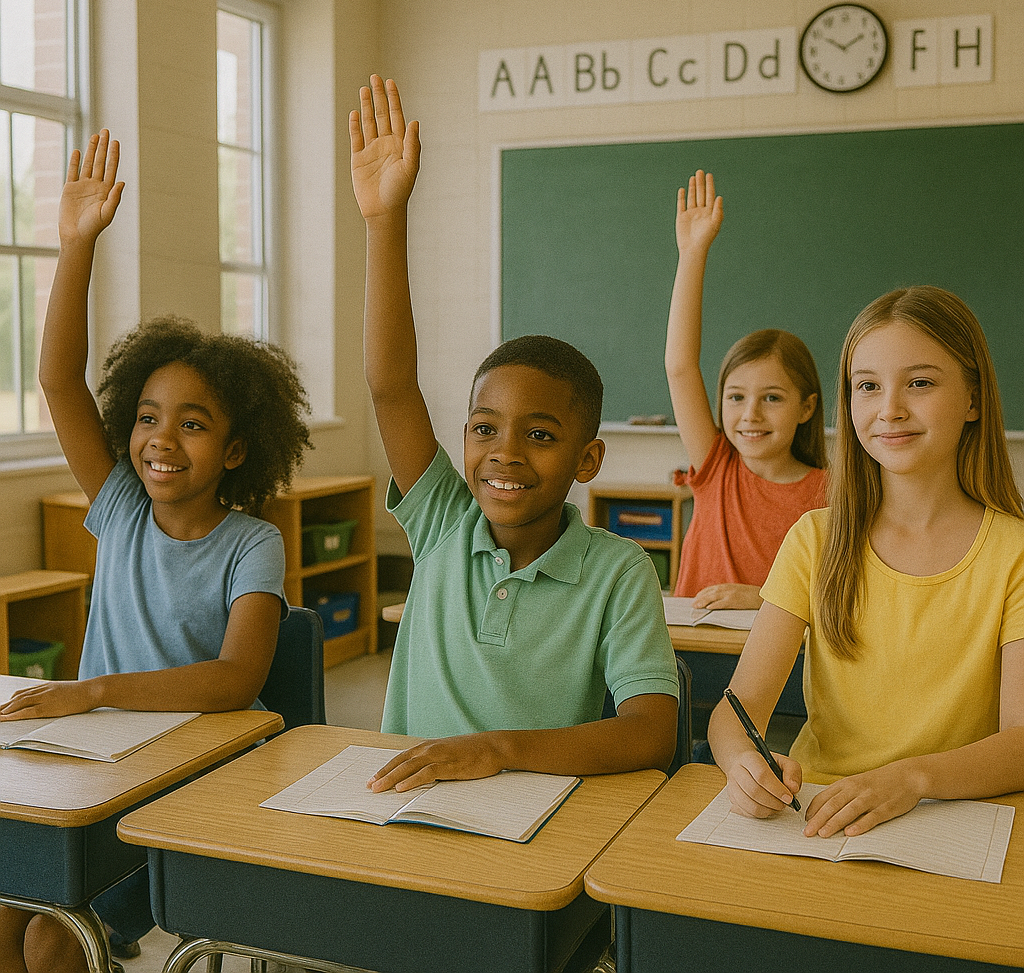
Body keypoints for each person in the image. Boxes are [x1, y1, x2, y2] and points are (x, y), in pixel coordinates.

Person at [0, 130, 311, 973]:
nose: (160, 439)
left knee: (46, 937)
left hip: (182, 791)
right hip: (93, 769)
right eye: (146, 416)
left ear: (238, 450)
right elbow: (61, 380)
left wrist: (93, 690)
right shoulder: (122, 511)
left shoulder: (253, 545)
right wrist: (76, 247)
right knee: (5, 906)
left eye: (194, 422)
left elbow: (234, 680)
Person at [350, 75, 679, 794]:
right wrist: (383, 220)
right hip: (399, 809)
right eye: (484, 428)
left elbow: (653, 729)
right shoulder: (443, 521)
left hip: (525, 834)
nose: (503, 452)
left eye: (539, 435)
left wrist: (498, 749)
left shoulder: (618, 571)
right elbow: (390, 385)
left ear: (587, 458)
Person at [708, 285, 1024, 839]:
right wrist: (743, 764)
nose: (890, 409)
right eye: (868, 387)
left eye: (920, 383)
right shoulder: (814, 539)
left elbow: (1020, 742)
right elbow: (738, 708)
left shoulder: (1014, 553)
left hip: (952, 820)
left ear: (973, 398)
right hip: (816, 815)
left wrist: (911, 779)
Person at [666, 170, 827, 611]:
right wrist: (692, 252)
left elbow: (841, 600)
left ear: (806, 406)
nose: (750, 414)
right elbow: (680, 366)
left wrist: (761, 599)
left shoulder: (831, 494)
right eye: (736, 397)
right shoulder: (718, 466)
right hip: (691, 652)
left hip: (778, 665)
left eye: (772, 398)